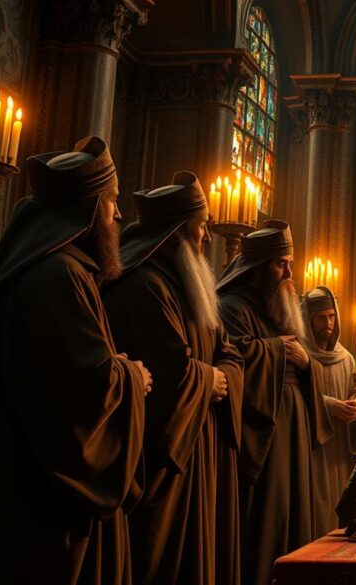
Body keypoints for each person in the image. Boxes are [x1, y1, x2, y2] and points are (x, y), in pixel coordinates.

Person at [0, 136, 150, 585]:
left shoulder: (42, 267)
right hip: (44, 505)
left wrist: (112, 367)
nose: (120, 215)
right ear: (88, 209)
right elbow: (81, 396)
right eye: (112, 203)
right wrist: (131, 374)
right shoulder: (59, 275)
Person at [104, 171, 244, 585]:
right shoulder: (145, 286)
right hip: (165, 458)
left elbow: (229, 348)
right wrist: (210, 380)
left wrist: (220, 376)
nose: (207, 239)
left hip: (199, 442)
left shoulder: (192, 287)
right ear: (178, 233)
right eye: (201, 229)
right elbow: (171, 373)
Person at [217, 220, 333, 584]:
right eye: (282, 263)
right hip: (264, 428)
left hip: (293, 418)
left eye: (290, 263)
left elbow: (302, 357)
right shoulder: (233, 306)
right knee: (269, 509)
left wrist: (305, 363)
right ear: (258, 267)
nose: (289, 272)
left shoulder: (279, 307)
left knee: (295, 507)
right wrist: (277, 351)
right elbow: (232, 357)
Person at [301, 286, 356, 538]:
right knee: (315, 508)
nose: (328, 323)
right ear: (308, 320)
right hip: (312, 446)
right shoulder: (301, 354)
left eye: (332, 316)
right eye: (321, 317)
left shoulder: (346, 357)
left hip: (339, 448)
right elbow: (294, 396)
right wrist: (332, 406)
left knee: (337, 503)